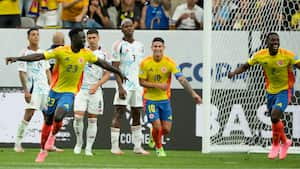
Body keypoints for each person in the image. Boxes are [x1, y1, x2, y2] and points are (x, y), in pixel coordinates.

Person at [6, 28, 126, 163]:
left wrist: (118, 72)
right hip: (54, 91)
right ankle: (43, 150)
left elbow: (102, 63)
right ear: (73, 39)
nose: (84, 40)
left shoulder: (86, 54)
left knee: (59, 116)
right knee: (48, 120)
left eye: (84, 38)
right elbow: (38, 56)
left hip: (69, 92)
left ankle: (53, 137)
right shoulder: (61, 51)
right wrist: (17, 58)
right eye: (81, 38)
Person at [228, 32, 300, 160]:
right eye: (272, 40)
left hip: (285, 90)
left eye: (277, 40)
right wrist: (234, 73)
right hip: (270, 91)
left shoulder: (288, 55)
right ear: (267, 43)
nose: (275, 43)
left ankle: (276, 145)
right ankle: (285, 141)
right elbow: (246, 66)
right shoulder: (260, 55)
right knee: (274, 119)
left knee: (274, 115)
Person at [139, 37, 201, 157]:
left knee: (166, 129)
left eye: (159, 46)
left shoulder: (169, 62)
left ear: (163, 48)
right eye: (155, 46)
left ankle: (154, 136)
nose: (157, 48)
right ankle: (159, 148)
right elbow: (141, 82)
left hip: (165, 100)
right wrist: (158, 85)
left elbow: (182, 79)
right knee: (157, 126)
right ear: (151, 48)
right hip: (150, 99)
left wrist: (193, 94)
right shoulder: (145, 63)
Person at [110, 18, 149, 155]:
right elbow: (115, 68)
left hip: (137, 85)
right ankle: (115, 147)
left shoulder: (140, 45)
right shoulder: (118, 45)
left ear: (134, 27)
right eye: (125, 26)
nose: (128, 28)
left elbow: (140, 66)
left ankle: (137, 147)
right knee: (119, 112)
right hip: (125, 85)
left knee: (137, 113)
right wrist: (120, 87)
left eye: (130, 25)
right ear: (121, 29)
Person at [73, 29, 111, 156]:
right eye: (89, 38)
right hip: (81, 89)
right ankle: (79, 143)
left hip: (96, 90)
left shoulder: (104, 54)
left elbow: (107, 74)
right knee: (78, 117)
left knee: (92, 120)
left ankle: (88, 148)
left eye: (94, 37)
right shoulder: (82, 52)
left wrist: (97, 85)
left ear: (98, 38)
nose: (91, 40)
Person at [14, 28, 51, 153]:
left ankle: (47, 144)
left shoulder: (43, 53)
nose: (36, 37)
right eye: (33, 35)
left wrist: (51, 86)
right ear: (28, 37)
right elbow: (22, 73)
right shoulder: (24, 53)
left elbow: (47, 70)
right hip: (33, 89)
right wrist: (26, 91)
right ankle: (17, 143)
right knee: (29, 114)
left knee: (48, 116)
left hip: (45, 89)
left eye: (37, 34)